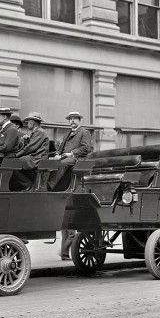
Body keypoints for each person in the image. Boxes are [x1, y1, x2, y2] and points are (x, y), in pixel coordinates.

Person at [49, 111, 92, 260]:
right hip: (65, 162)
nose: (72, 121)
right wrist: (56, 154)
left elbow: (86, 149)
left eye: (75, 119)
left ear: (80, 120)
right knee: (53, 162)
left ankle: (50, 186)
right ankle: (65, 252)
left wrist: (70, 154)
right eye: (71, 119)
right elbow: (60, 150)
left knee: (61, 163)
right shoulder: (67, 134)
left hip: (76, 161)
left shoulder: (84, 132)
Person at [10, 112, 50, 191]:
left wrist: (16, 155)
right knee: (12, 162)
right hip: (34, 157)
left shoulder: (39, 132)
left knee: (11, 163)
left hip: (36, 159)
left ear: (33, 122)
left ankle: (27, 185)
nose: (26, 124)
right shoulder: (37, 131)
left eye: (27, 122)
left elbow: (30, 148)